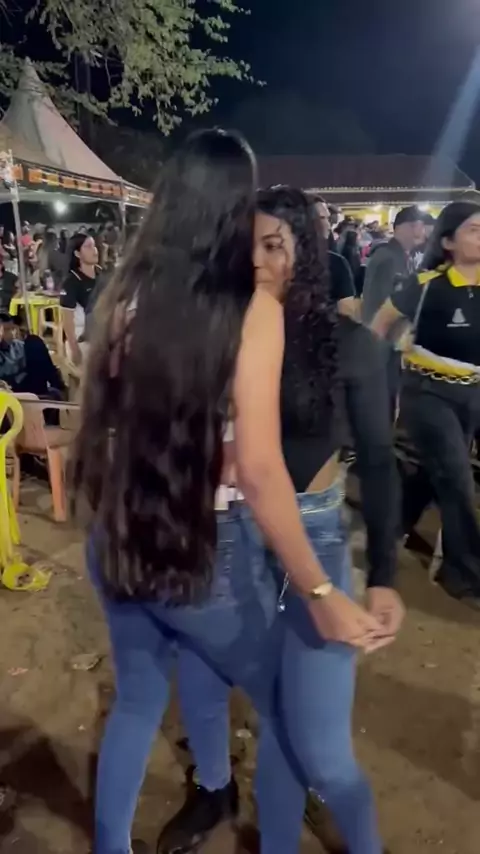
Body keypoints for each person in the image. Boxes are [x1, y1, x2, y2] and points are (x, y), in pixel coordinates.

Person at [74, 133, 389, 854]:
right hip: (199, 552)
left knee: (138, 702)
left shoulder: (123, 292)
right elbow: (260, 470)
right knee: (286, 708)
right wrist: (321, 591)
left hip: (117, 538)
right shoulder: (249, 310)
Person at [157, 191, 403, 854]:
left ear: (307, 252)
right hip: (222, 534)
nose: (257, 262)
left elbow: (380, 463)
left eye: (274, 245)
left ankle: (346, 822)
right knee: (206, 682)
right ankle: (219, 794)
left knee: (318, 738)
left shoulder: (350, 346)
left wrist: (384, 575)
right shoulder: (214, 336)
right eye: (247, 246)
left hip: (310, 540)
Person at [371, 201, 480, 608]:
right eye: (474, 230)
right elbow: (380, 325)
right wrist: (375, 375)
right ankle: (463, 574)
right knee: (457, 478)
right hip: (428, 393)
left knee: (433, 472)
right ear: (448, 242)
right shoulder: (426, 284)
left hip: (473, 393)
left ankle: (391, 526)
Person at [363, 206, 425, 419]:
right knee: (383, 397)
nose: (419, 231)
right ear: (399, 228)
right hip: (383, 341)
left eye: (420, 226)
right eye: (414, 225)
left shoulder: (403, 256)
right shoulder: (387, 257)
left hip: (393, 341)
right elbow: (378, 305)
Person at [309, 193, 359, 318]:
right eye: (321, 218)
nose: (328, 225)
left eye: (328, 219)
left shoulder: (336, 263)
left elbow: (348, 315)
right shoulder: (284, 262)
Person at [60, 233, 104, 365]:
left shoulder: (102, 274)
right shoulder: (71, 282)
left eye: (94, 246)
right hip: (82, 339)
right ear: (77, 254)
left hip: (103, 334)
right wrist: (74, 350)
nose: (94, 250)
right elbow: (67, 320)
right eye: (88, 246)